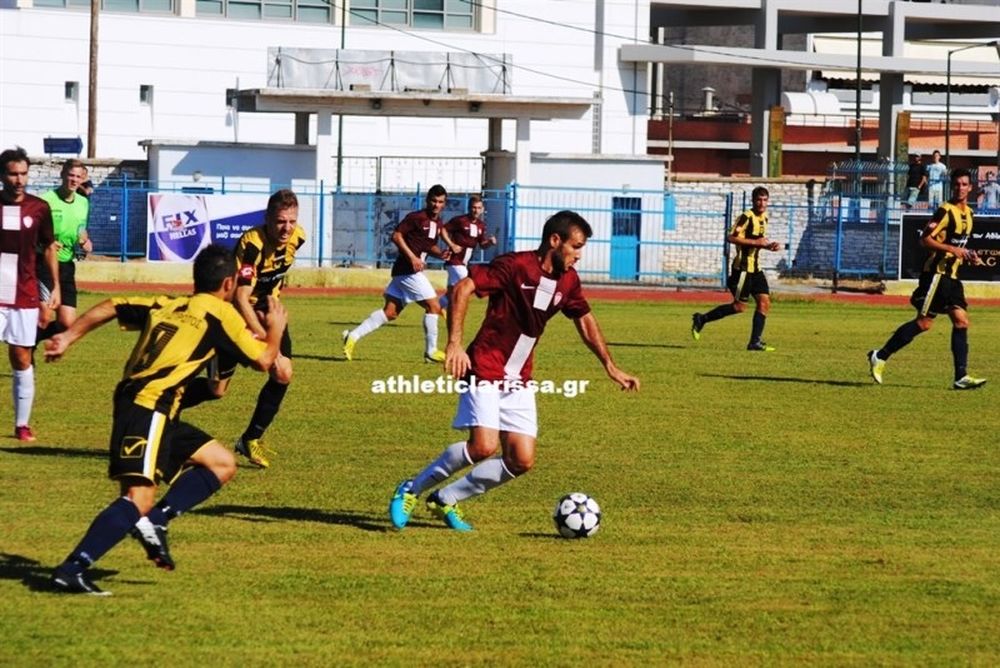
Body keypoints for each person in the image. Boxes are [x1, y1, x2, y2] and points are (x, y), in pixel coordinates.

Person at [47, 244, 287, 595]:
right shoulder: (221, 314)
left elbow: (113, 305)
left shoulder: (167, 303)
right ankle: (73, 568)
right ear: (229, 284)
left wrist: (69, 335)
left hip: (155, 408)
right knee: (137, 498)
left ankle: (156, 522)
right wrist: (275, 327)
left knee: (221, 463)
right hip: (149, 406)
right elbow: (266, 361)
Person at [387, 210, 639, 532]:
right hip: (485, 364)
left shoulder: (569, 280)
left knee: (521, 460)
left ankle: (446, 498)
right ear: (555, 240)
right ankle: (410, 489)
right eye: (575, 247)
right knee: (483, 446)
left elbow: (585, 320)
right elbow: (464, 287)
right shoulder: (516, 266)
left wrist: (610, 366)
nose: (579, 255)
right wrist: (454, 343)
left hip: (519, 377)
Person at [182, 189, 304, 469]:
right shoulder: (252, 243)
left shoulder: (299, 238)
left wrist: (271, 318)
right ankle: (160, 405)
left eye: (291, 221)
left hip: (267, 312)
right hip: (234, 317)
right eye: (280, 221)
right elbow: (239, 295)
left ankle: (251, 438)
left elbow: (275, 277)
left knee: (283, 372)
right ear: (268, 219)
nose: (286, 228)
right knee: (216, 390)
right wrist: (261, 334)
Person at [867, 168, 985, 390]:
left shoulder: (969, 214)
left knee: (961, 321)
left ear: (971, 187)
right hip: (936, 275)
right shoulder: (945, 211)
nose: (960, 188)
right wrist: (951, 249)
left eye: (964, 184)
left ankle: (961, 376)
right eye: (957, 184)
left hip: (952, 277)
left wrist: (969, 254)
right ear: (952, 186)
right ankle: (880, 356)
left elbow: (959, 245)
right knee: (924, 323)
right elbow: (925, 239)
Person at [342, 184, 451, 362]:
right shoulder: (416, 218)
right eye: (433, 200)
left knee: (390, 313)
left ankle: (352, 336)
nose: (436, 205)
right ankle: (431, 352)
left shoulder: (437, 223)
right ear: (427, 200)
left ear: (444, 204)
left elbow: (427, 245)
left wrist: (440, 253)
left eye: (440, 202)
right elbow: (396, 236)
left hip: (403, 272)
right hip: (408, 270)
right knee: (434, 306)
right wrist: (413, 258)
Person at [0, 147, 60, 442]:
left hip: (23, 293)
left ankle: (22, 425)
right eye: (13, 173)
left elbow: (49, 247)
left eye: (23, 173)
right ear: (2, 176)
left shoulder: (39, 208)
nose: (19, 179)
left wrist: (54, 288)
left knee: (21, 356)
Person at [691, 186, 780, 351]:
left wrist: (769, 246)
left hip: (756, 269)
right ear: (753, 201)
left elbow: (758, 241)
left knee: (764, 302)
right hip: (743, 270)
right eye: (759, 200)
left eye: (765, 200)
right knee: (739, 307)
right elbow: (731, 237)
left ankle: (755, 342)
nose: (762, 203)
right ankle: (702, 319)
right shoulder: (746, 217)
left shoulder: (765, 218)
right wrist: (757, 243)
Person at [38, 158, 93, 337]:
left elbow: (81, 229)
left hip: (67, 265)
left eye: (78, 177)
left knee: (67, 324)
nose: (74, 180)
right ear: (62, 175)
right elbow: (31, 232)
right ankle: (26, 347)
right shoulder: (46, 200)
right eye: (70, 175)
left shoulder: (83, 203)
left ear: (82, 179)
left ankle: (34, 337)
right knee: (43, 316)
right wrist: (46, 242)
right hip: (44, 264)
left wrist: (85, 241)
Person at [438, 194, 496, 311]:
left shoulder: (481, 226)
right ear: (469, 208)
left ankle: (433, 309)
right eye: (474, 207)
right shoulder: (460, 221)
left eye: (479, 208)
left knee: (451, 294)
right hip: (455, 261)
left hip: (463, 263)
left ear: (483, 209)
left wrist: (490, 242)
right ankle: (456, 314)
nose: (476, 210)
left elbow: (482, 245)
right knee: (468, 285)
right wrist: (452, 245)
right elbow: (443, 230)